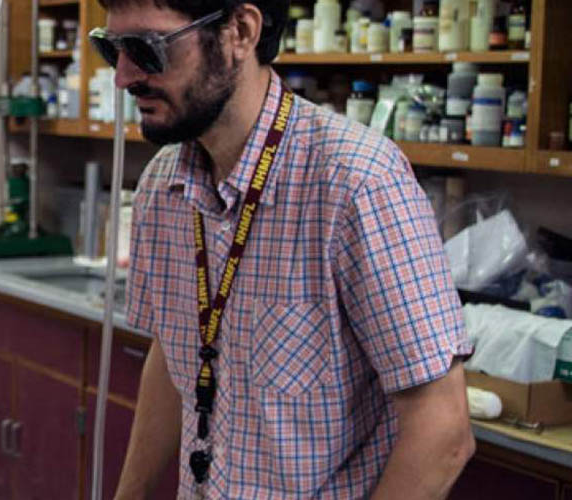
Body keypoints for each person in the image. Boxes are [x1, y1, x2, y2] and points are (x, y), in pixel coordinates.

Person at [88, 0, 475, 498]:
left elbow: (442, 430)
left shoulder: (357, 182)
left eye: (146, 48)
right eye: (112, 48)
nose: (123, 76)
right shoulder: (164, 187)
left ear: (240, 32)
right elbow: (174, 357)